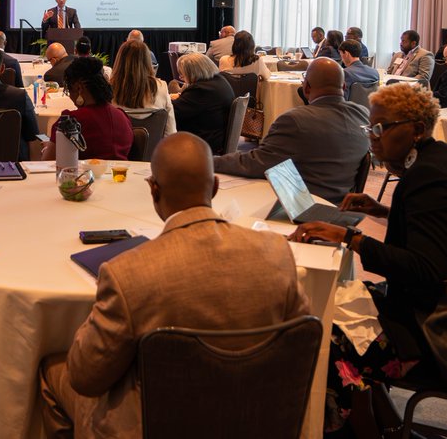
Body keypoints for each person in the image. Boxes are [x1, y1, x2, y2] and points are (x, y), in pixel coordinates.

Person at [291, 84, 447, 436]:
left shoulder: (429, 176)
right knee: (343, 303)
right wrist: (385, 210)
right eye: (370, 128)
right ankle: (381, 421)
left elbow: (424, 268)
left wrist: (349, 237)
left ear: (417, 130)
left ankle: (352, 427)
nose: (373, 138)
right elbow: (441, 231)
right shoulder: (440, 159)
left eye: (382, 128)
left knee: (323, 329)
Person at [39, 132, 309, 437]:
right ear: (216, 187)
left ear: (153, 190)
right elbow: (299, 347)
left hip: (155, 424)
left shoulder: (127, 273)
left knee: (53, 369)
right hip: (255, 417)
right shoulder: (277, 252)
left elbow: (85, 377)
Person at [213, 58, 369, 204]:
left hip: (302, 206)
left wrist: (210, 161)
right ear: (343, 87)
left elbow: (255, 163)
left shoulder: (295, 120)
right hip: (342, 206)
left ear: (306, 87)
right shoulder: (363, 114)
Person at [44, 57, 133, 161]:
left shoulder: (70, 121)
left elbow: (47, 161)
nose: (70, 96)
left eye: (68, 90)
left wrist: (50, 147)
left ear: (78, 88)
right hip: (120, 176)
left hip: (84, 176)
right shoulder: (122, 116)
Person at [171, 53, 236, 154]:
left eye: (183, 74)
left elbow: (173, 111)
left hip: (203, 141)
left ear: (193, 72)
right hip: (216, 135)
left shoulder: (201, 89)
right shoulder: (219, 81)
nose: (181, 77)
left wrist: (165, 100)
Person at [110, 39, 176, 137]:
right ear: (147, 61)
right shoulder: (162, 87)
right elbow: (171, 133)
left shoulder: (109, 89)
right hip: (154, 150)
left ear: (119, 61)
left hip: (119, 151)